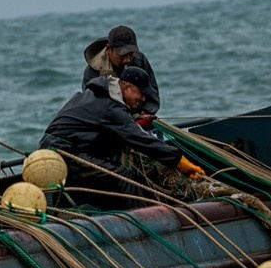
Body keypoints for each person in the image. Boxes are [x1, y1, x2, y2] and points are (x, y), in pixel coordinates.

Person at [38, 66, 185, 202]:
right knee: (123, 176)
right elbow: (140, 140)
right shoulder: (110, 107)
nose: (143, 99)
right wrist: (177, 159)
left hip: (49, 149)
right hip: (62, 153)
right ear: (127, 87)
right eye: (141, 93)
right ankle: (148, 216)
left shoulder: (96, 94)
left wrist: (131, 121)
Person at [101, 24, 160, 121]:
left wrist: (146, 112)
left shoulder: (139, 59)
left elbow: (152, 93)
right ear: (108, 49)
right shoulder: (93, 72)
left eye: (130, 54)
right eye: (122, 55)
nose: (127, 60)